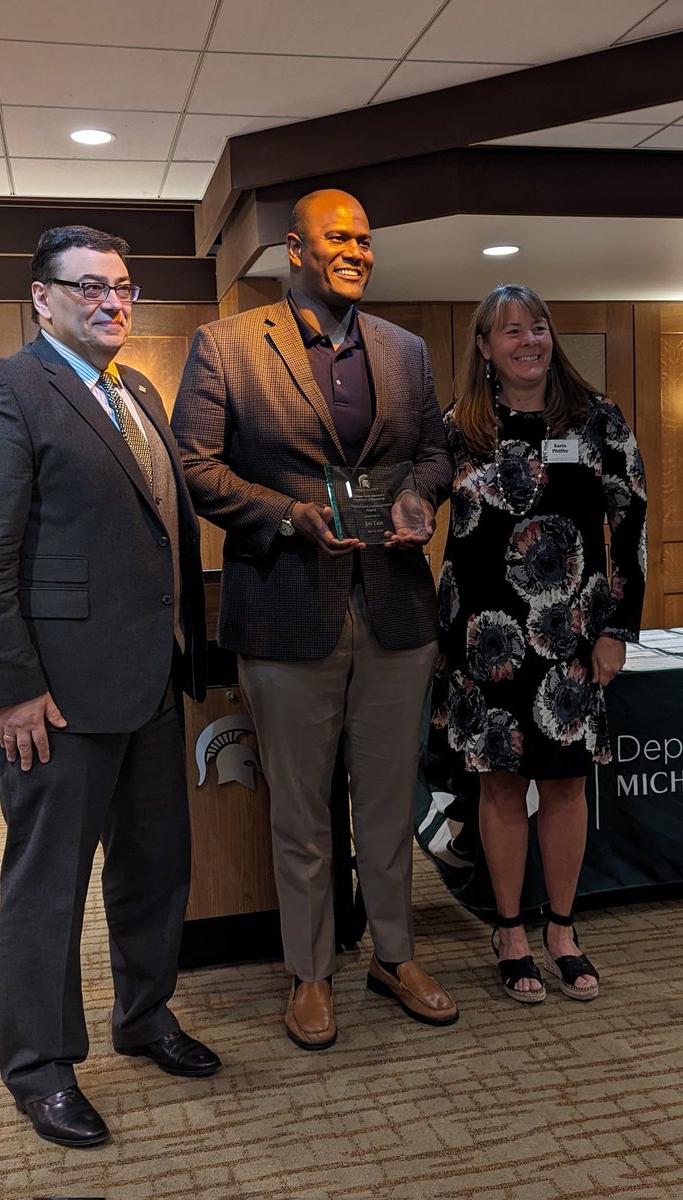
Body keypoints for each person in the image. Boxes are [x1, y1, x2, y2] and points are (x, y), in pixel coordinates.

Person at [0, 225, 221, 1149]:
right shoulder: (4, 389)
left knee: (155, 871)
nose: (113, 302)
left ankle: (144, 1017)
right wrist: (13, 689)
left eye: (125, 288)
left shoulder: (137, 389)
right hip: (53, 701)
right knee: (49, 887)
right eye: (91, 287)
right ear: (42, 297)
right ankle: (41, 1069)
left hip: (148, 685)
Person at [171, 188, 458, 1049]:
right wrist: (289, 515)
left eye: (366, 239)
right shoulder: (226, 346)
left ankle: (394, 955)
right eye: (339, 236)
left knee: (385, 804)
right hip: (289, 608)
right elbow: (194, 465)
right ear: (293, 250)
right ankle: (309, 972)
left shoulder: (405, 351)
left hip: (397, 610)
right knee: (299, 810)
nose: (358, 251)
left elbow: (438, 449)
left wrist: (418, 496)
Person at [431, 284, 646, 1003]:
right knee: (498, 785)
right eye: (511, 331)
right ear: (485, 349)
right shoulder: (459, 430)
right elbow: (420, 512)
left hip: (571, 641)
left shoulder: (597, 422)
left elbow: (632, 531)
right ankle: (510, 930)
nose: (529, 341)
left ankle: (562, 929)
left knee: (564, 783)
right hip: (486, 641)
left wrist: (619, 629)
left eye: (539, 327)